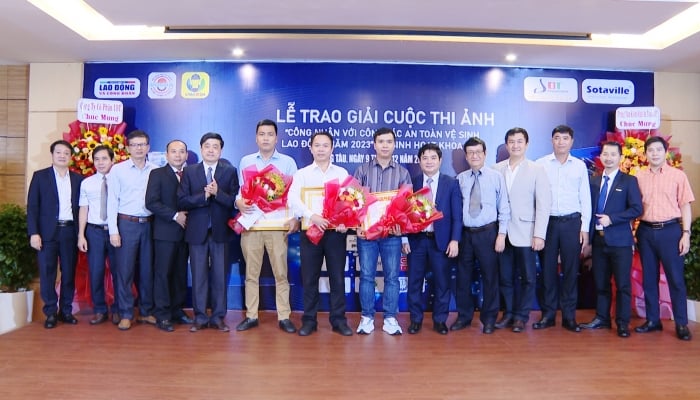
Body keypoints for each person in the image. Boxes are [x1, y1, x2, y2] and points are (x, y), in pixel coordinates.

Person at [235, 119, 299, 334]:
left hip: (277, 226)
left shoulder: (288, 162)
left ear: (276, 137)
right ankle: (251, 315)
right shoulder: (246, 161)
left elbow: (294, 196)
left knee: (281, 273)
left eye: (270, 134)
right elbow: (240, 191)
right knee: (251, 274)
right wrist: (238, 202)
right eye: (261, 134)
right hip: (252, 225)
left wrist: (295, 218)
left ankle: (284, 316)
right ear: (256, 137)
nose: (265, 138)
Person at [288, 131, 353, 336]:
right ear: (311, 148)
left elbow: (350, 201)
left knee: (337, 277)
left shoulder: (341, 173)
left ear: (332, 148)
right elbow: (293, 200)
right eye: (317, 145)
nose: (321, 149)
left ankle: (339, 320)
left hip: (335, 234)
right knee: (309, 278)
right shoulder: (302, 174)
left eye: (326, 145)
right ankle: (309, 320)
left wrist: (345, 221)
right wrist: (311, 215)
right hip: (311, 232)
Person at [579, 141, 642, 338]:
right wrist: (587, 240)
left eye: (613, 154)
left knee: (622, 284)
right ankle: (602, 318)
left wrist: (612, 219)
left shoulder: (628, 181)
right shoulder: (594, 181)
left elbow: (636, 209)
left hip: (621, 242)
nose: (608, 157)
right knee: (601, 283)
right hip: (598, 242)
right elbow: (588, 211)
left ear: (620, 157)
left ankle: (622, 323)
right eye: (605, 154)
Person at [634, 136, 695, 341]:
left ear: (665, 152)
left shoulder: (678, 176)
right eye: (651, 150)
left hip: (670, 231)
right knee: (649, 279)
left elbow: (686, 205)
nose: (655, 153)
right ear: (645, 153)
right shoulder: (639, 176)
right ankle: (653, 320)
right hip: (645, 231)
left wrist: (686, 234)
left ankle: (681, 323)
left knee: (675, 279)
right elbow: (634, 207)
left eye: (659, 150)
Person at [178, 132, 239, 333]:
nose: (211, 150)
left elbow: (233, 202)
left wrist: (217, 194)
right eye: (207, 146)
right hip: (197, 232)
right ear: (202, 148)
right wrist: (203, 195)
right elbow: (182, 201)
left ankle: (218, 317)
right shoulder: (190, 172)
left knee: (220, 276)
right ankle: (201, 317)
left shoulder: (229, 171)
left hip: (221, 232)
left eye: (215, 146)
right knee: (199, 277)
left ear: (221, 150)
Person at [354, 127, 412, 335]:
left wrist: (401, 227)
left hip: (392, 235)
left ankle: (390, 318)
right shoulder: (362, 170)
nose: (385, 145)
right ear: (374, 144)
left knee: (392, 277)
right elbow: (354, 201)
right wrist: (359, 225)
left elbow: (407, 206)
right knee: (367, 276)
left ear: (394, 145)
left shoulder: (402, 172)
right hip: (367, 234)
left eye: (389, 141)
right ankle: (367, 317)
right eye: (381, 141)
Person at [492, 128, 551, 333]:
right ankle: (508, 313)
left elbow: (543, 204)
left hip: (527, 232)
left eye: (519, 141)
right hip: (502, 233)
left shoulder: (537, 169)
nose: (515, 145)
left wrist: (539, 234)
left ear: (526, 144)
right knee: (505, 277)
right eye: (511, 141)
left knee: (528, 277)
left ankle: (521, 316)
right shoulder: (496, 169)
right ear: (506, 145)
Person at [535, 124, 591, 332]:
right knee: (548, 271)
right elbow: (536, 197)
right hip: (548, 223)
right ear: (552, 141)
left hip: (571, 223)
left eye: (565, 138)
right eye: (557, 138)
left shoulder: (579, 166)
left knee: (570, 271)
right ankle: (548, 314)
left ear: (571, 141)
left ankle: (569, 317)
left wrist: (584, 228)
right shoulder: (541, 164)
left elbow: (585, 198)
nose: (561, 142)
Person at [451, 137, 510, 334]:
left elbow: (504, 207)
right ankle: (464, 316)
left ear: (484, 154)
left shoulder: (496, 177)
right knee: (463, 277)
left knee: (490, 278)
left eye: (478, 152)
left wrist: (501, 234)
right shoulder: (460, 179)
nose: (474, 156)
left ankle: (489, 319)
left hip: (488, 233)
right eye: (470, 153)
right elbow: (455, 211)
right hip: (466, 235)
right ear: (466, 156)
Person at [404, 143, 462, 335]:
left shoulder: (451, 183)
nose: (429, 161)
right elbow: (403, 214)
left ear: (440, 160)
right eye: (425, 158)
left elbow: (457, 215)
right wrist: (404, 239)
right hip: (416, 240)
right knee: (414, 282)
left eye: (433, 158)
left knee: (442, 282)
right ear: (419, 161)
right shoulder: (412, 183)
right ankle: (415, 320)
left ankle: (439, 320)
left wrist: (455, 240)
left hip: (441, 241)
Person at [27, 139, 83, 329]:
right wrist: (34, 233)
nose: (62, 156)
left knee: (69, 273)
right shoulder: (40, 176)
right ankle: (50, 312)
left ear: (70, 157)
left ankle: (65, 311)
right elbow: (33, 207)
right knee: (48, 273)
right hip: (46, 233)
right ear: (52, 155)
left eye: (66, 153)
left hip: (69, 231)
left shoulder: (78, 179)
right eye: (58, 152)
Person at [107, 130, 158, 331]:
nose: (139, 148)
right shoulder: (117, 170)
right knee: (125, 272)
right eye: (135, 144)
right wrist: (113, 231)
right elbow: (112, 202)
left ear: (148, 147)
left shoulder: (156, 170)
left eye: (143, 144)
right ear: (128, 147)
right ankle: (126, 313)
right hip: (126, 224)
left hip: (149, 224)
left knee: (148, 270)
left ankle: (146, 311)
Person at [145, 139, 193, 333]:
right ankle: (163, 315)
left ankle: (177, 310)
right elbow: (151, 202)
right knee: (163, 274)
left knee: (180, 274)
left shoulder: (190, 174)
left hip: (186, 233)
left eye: (182, 152)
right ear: (166, 155)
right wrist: (175, 216)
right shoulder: (157, 174)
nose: (178, 155)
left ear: (187, 155)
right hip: (165, 232)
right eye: (174, 151)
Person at [77, 145, 119, 326]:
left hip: (116, 231)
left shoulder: (119, 181)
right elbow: (83, 210)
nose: (100, 163)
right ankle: (100, 310)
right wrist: (81, 235)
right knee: (96, 272)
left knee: (120, 272)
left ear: (112, 160)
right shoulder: (87, 183)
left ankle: (119, 310)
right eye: (97, 159)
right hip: (94, 231)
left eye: (104, 159)